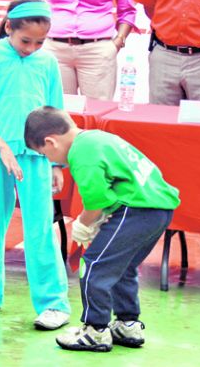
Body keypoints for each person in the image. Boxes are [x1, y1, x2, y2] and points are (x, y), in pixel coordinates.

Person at [24, 106, 180, 352]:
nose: (49, 160)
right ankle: (127, 323)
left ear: (50, 142)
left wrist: (83, 225)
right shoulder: (97, 138)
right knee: (122, 266)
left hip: (135, 210)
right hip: (158, 209)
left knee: (94, 265)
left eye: (44, 154)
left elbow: (96, 201)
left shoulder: (81, 153)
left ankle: (95, 330)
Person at [0, 0, 71, 330]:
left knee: (40, 229)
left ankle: (54, 303)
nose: (32, 48)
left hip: (37, 158)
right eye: (26, 40)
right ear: (8, 27)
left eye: (40, 42)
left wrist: (56, 164)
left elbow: (56, 112)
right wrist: (1, 148)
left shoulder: (47, 63)